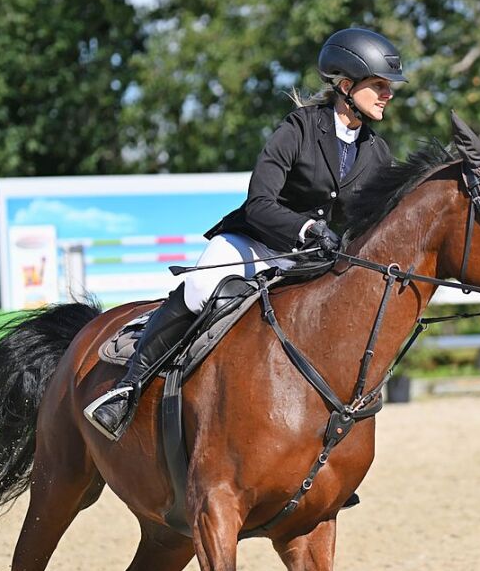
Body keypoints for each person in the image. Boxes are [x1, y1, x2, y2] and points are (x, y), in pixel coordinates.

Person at [86, 27, 408, 441]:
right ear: (347, 87)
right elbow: (259, 202)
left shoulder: (377, 152)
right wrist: (307, 227)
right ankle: (127, 388)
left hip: (310, 261)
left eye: (389, 87)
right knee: (201, 287)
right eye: (379, 85)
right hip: (254, 242)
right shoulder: (299, 128)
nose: (388, 94)